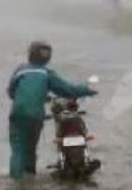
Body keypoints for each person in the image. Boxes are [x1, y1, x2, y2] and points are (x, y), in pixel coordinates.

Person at [6, 40, 97, 180]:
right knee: (30, 149)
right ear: (47, 57)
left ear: (30, 54)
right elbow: (68, 90)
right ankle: (30, 178)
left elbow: (11, 91)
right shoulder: (46, 73)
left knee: (18, 149)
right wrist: (87, 90)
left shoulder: (20, 70)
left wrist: (28, 98)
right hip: (36, 115)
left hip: (18, 114)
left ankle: (16, 181)